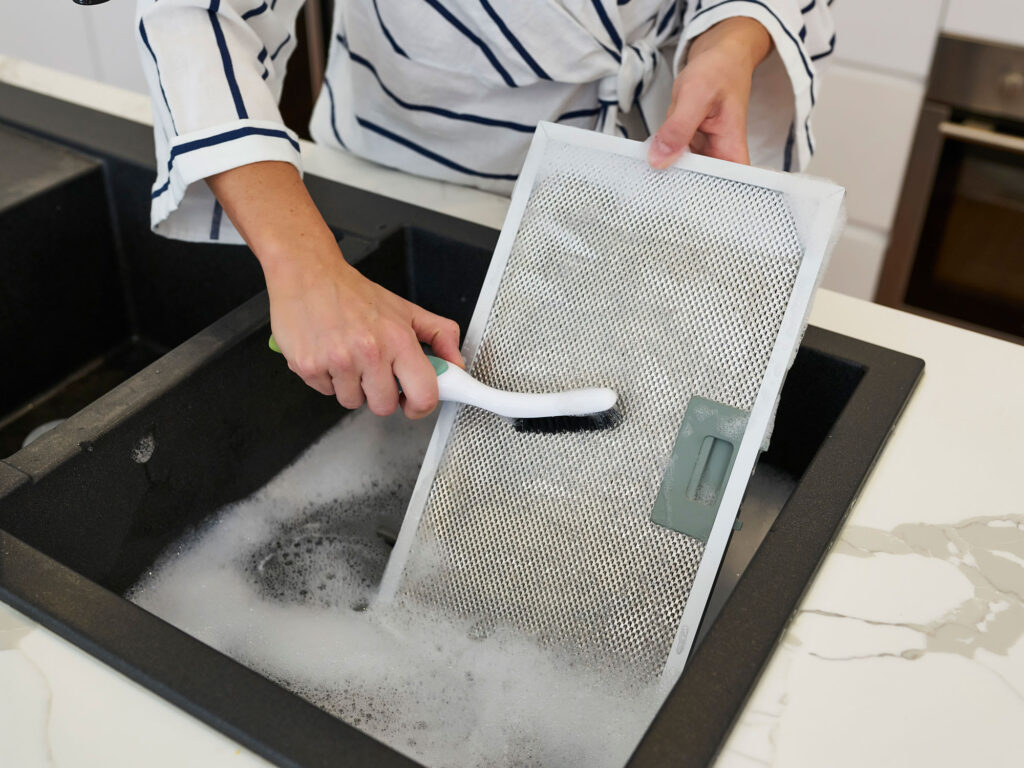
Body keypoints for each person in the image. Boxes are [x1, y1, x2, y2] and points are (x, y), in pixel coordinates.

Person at [136, 0, 834, 419]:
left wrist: (732, 38)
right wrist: (306, 268)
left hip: (670, 164)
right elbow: (196, 11)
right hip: (418, 171)